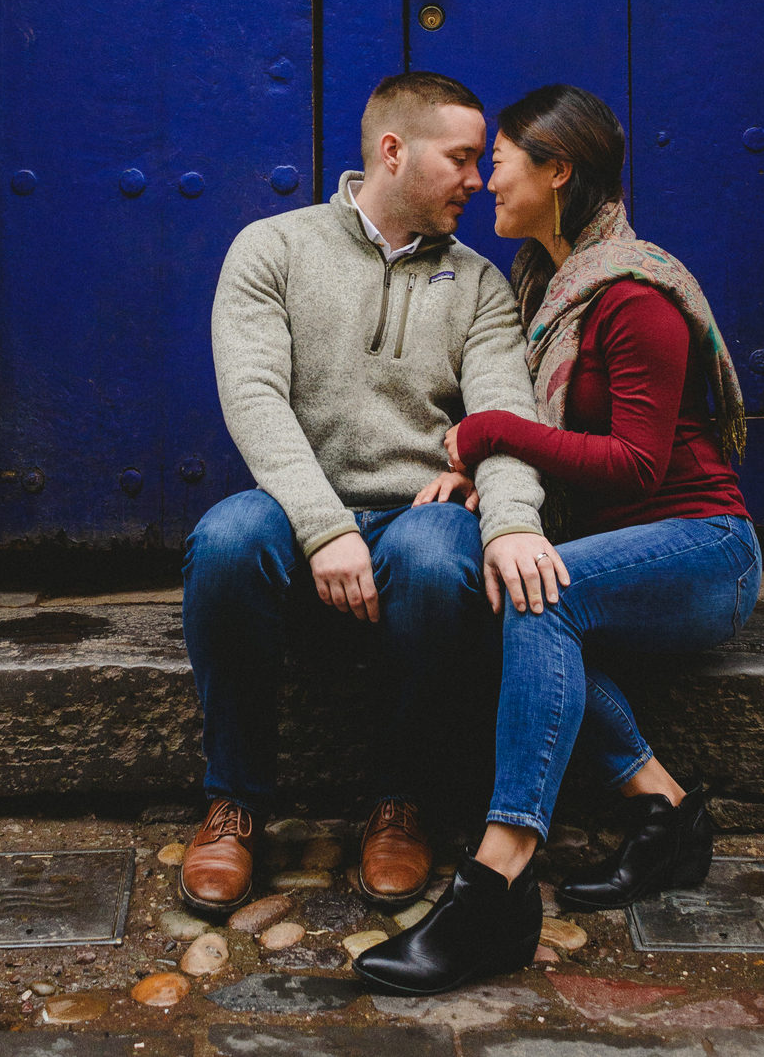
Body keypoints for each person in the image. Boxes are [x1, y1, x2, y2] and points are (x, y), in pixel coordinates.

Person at [356, 83, 761, 996]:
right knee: (508, 594)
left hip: (703, 549)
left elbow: (636, 467)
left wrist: (492, 435)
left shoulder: (632, 294)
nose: (484, 180)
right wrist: (477, 475)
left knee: (542, 589)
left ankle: (498, 883)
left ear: (557, 170)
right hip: (623, 555)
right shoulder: (544, 287)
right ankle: (664, 813)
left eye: (498, 160)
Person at [179, 71, 568, 919]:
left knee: (437, 560)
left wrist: (508, 523)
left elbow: (505, 419)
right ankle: (234, 801)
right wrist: (323, 529)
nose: (479, 179)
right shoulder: (273, 248)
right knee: (223, 542)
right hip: (296, 506)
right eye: (462, 159)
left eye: (480, 162)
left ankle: (401, 802)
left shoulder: (477, 285)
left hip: (417, 512)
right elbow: (253, 396)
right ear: (394, 151)